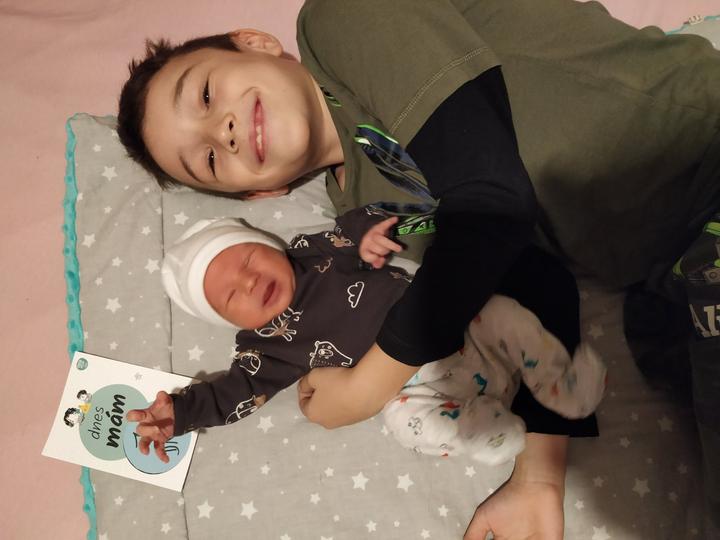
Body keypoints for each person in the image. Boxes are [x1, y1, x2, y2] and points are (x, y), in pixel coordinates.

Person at [116, 0, 720, 535]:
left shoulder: (338, 19)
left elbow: (492, 200)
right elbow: (533, 282)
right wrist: (538, 479)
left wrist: (368, 386)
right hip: (677, 273)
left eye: (204, 95)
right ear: (259, 195)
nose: (220, 132)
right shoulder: (363, 221)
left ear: (254, 42)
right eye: (208, 161)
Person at [128, 206, 605, 469]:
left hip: (455, 324)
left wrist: (368, 235)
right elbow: (234, 393)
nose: (250, 282)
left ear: (266, 244)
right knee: (403, 422)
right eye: (232, 296)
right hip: (417, 388)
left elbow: (355, 225)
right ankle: (480, 429)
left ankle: (561, 386)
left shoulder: (315, 255)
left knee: (503, 312)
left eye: (248, 260)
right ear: (228, 321)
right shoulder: (264, 349)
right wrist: (182, 412)